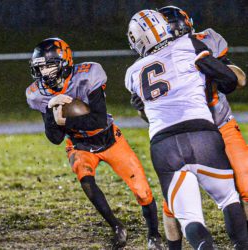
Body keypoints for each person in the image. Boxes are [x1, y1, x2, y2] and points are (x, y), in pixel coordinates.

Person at [125, 9, 248, 249]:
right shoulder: (189, 45)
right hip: (202, 133)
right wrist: (208, 66)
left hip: (165, 144)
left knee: (190, 217)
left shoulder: (131, 74)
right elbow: (232, 82)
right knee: (229, 199)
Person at [26, 37, 164, 249]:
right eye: (40, 67)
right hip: (79, 144)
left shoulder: (88, 75)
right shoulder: (40, 94)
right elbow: (54, 138)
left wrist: (66, 120)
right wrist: (50, 111)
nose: (45, 72)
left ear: (64, 62)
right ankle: (117, 227)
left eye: (50, 65)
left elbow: (98, 119)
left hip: (109, 138)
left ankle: (153, 234)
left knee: (142, 191)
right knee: (85, 179)